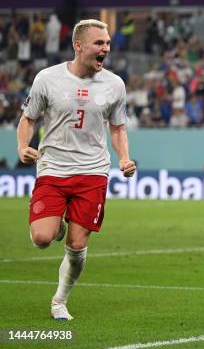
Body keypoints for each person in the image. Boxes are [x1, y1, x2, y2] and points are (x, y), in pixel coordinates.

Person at [16, 19, 136, 321]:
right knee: (42, 238)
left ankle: (59, 300)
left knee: (78, 244)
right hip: (53, 169)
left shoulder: (114, 84)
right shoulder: (47, 78)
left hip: (92, 172)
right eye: (99, 43)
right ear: (78, 45)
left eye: (107, 43)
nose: (105, 49)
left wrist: (123, 158)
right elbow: (28, 118)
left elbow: (118, 128)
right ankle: (56, 225)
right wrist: (22, 147)